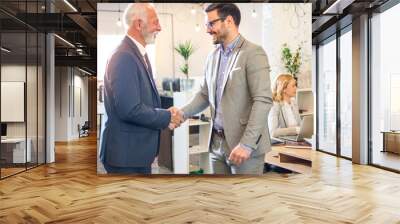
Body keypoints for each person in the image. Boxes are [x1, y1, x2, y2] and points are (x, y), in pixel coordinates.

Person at [170, 3, 272, 175]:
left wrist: (246, 144)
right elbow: (204, 94)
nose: (208, 30)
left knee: (243, 200)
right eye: (206, 25)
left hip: (244, 148)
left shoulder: (253, 53)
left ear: (229, 21)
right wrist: (182, 113)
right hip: (216, 144)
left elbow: (262, 101)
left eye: (211, 24)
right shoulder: (212, 56)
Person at [99, 3, 183, 174]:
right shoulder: (123, 56)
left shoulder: (137, 54)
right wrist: (167, 116)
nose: (159, 27)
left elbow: (143, 100)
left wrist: (165, 112)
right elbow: (129, 109)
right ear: (138, 24)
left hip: (134, 153)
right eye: (155, 22)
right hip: (126, 156)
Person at [268, 74, 301, 139]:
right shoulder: (274, 106)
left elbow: (299, 125)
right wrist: (295, 130)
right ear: (284, 89)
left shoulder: (294, 102)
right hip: (282, 143)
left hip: (295, 139)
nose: (296, 88)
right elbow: (273, 132)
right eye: (293, 86)